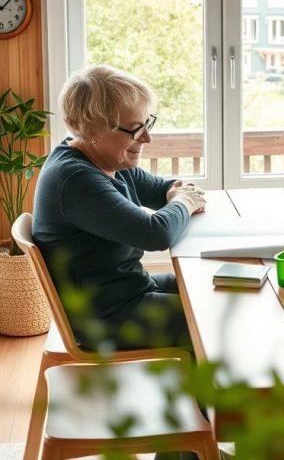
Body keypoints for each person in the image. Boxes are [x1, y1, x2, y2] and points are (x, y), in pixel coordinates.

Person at [33, 65, 207, 351]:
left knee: (211, 288)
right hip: (107, 319)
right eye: (134, 129)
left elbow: (159, 189)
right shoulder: (76, 179)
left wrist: (176, 193)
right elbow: (156, 234)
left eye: (147, 123)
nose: (146, 138)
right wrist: (185, 201)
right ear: (90, 129)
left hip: (128, 292)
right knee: (210, 319)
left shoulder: (106, 159)